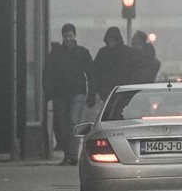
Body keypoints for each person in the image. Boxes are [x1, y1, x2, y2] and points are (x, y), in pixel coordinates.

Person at [42, 24, 93, 165]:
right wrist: (49, 92)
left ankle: (72, 155)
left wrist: (91, 92)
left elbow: (91, 73)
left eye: (70, 36)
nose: (68, 39)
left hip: (77, 93)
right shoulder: (56, 54)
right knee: (63, 126)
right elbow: (48, 74)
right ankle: (68, 154)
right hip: (61, 94)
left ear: (74, 36)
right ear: (63, 37)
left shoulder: (82, 53)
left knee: (73, 122)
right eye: (66, 36)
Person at [88, 27, 136, 112]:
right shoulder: (127, 52)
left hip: (119, 90)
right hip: (112, 91)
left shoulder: (103, 53)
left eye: (113, 40)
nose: (111, 43)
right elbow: (95, 72)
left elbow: (95, 72)